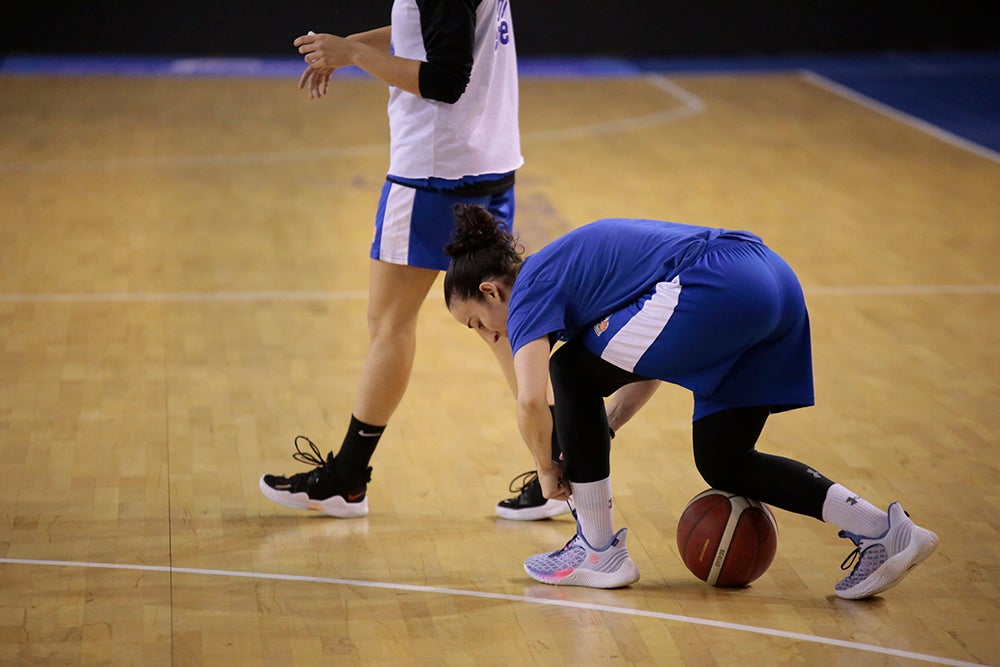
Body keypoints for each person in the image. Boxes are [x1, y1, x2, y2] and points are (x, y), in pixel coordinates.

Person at [443, 204, 939, 599]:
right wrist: (602, 428)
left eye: (477, 324)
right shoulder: (568, 275)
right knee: (724, 460)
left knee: (569, 368)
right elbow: (651, 355)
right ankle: (884, 531)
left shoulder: (529, 288)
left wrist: (547, 470)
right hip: (771, 280)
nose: (488, 336)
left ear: (491, 291)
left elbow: (532, 402)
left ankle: (597, 551)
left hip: (718, 282)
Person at [258, 1, 568, 520]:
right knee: (500, 324)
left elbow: (445, 79)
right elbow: (434, 29)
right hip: (489, 162)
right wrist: (350, 46)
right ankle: (557, 470)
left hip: (432, 171)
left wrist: (355, 54)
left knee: (390, 324)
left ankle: (347, 479)